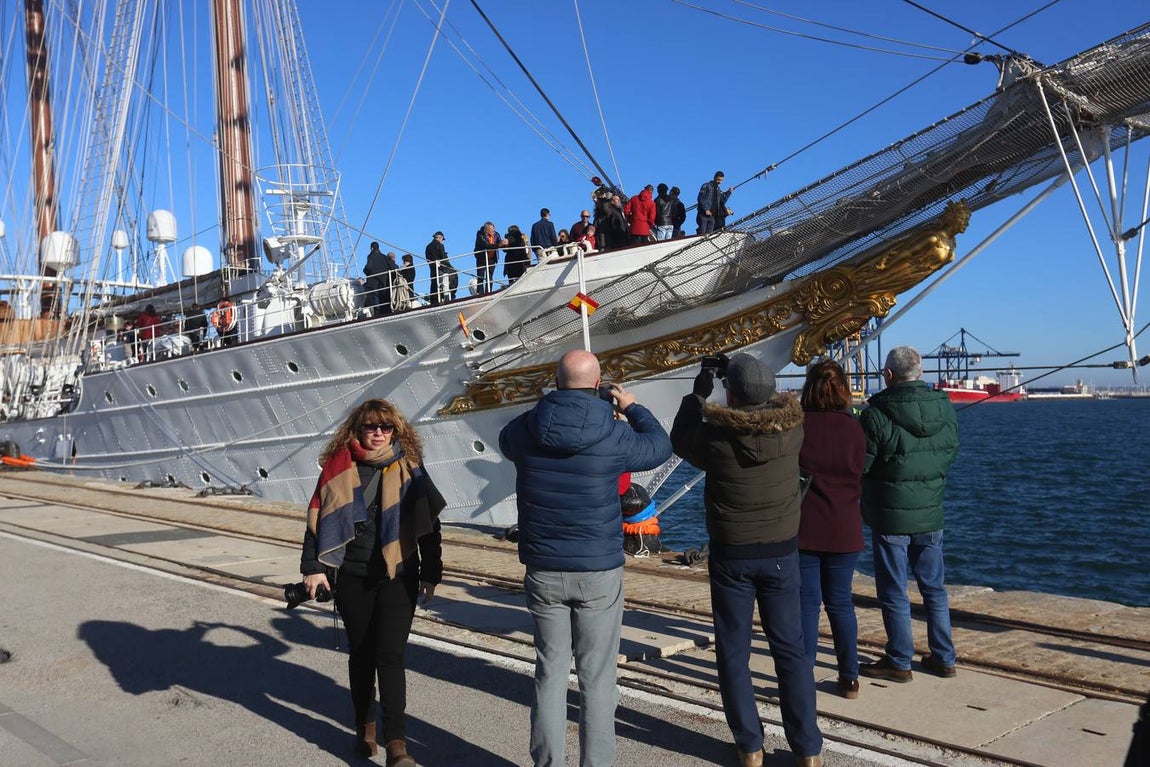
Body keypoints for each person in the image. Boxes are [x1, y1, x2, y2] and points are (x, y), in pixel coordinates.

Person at [498, 350, 672, 767]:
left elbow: (506, 438)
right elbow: (661, 446)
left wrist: (546, 403)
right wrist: (631, 406)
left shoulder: (528, 430)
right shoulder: (613, 434)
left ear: (557, 383)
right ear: (598, 387)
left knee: (550, 673)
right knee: (597, 680)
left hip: (544, 569)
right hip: (598, 570)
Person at [670, 353, 823, 767]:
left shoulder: (715, 440)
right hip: (781, 552)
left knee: (734, 651)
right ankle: (808, 748)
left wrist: (700, 390)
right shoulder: (793, 431)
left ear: (731, 393)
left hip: (732, 554)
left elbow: (680, 437)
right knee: (790, 650)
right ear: (772, 393)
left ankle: (749, 746)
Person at [299, 399, 445, 767]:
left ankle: (397, 742)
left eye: (386, 427)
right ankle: (364, 730)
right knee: (362, 655)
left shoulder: (411, 468)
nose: (378, 433)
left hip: (399, 575)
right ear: (357, 429)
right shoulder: (337, 468)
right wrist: (313, 566)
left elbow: (429, 524)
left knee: (390, 656)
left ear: (397, 432)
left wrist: (432, 570)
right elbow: (317, 518)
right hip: (353, 576)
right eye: (370, 426)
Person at [858, 346, 959, 684]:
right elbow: (949, 453)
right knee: (935, 588)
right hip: (931, 512)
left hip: (889, 515)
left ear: (888, 375)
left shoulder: (875, 414)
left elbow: (864, 465)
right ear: (921, 371)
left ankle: (900, 660)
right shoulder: (944, 408)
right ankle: (944, 657)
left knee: (894, 590)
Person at [798, 359, 866, 699]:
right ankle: (849, 675)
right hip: (845, 528)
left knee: (807, 605)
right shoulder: (854, 428)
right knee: (840, 603)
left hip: (806, 527)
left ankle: (803, 675)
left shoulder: (799, 427)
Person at [473, 222, 506, 295]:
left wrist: (505, 244)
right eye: (491, 230)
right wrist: (499, 245)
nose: (493, 232)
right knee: (480, 277)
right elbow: (486, 245)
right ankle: (480, 293)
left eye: (493, 230)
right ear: (486, 230)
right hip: (481, 259)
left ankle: (488, 292)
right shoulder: (480, 235)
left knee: (490, 276)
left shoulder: (496, 235)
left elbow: (500, 243)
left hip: (492, 258)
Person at [363, 242, 395, 315]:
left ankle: (378, 313)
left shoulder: (371, 256)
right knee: (383, 296)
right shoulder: (384, 256)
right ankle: (386, 311)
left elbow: (369, 267)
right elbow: (391, 267)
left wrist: (365, 271)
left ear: (371, 248)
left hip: (373, 281)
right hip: (384, 280)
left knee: (375, 297)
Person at [424, 231, 447, 305]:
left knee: (433, 283)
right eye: (442, 239)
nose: (442, 241)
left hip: (432, 267)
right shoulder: (439, 245)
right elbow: (443, 257)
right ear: (440, 238)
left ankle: (433, 300)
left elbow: (427, 258)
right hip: (440, 268)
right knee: (444, 281)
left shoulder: (428, 246)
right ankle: (446, 296)